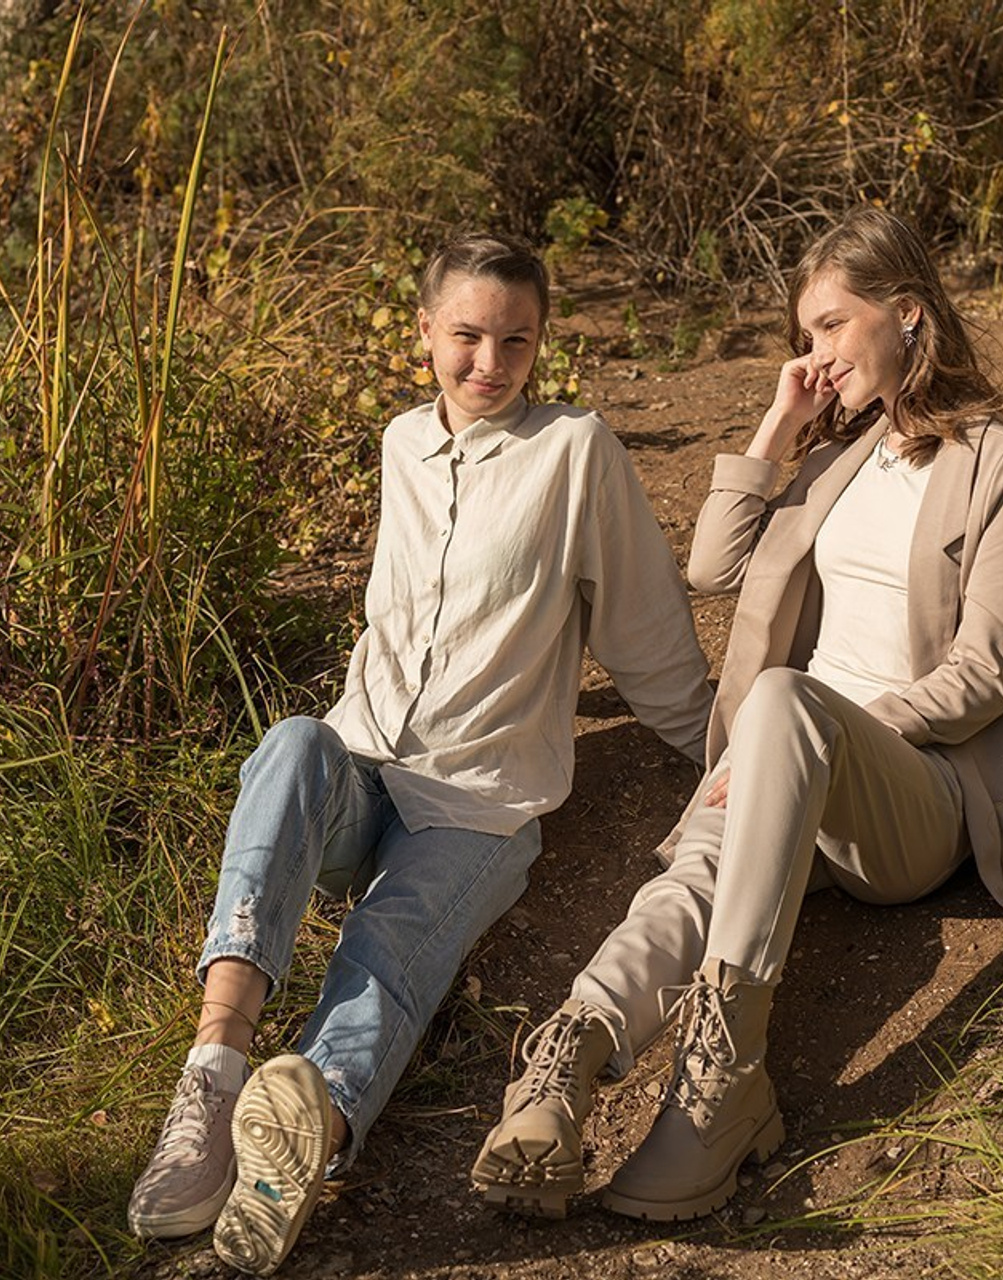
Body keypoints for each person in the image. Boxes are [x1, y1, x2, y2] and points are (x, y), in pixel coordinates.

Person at [471, 206, 1003, 1222]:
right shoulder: (838, 461)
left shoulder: (1000, 464)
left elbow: (990, 666)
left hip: (919, 789)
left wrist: (801, 730)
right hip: (795, 751)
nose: (813, 352)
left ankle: (720, 1083)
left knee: (778, 704)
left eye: (828, 327)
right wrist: (778, 427)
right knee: (695, 875)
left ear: (904, 315)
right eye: (803, 334)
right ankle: (566, 1058)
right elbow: (713, 564)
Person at [126, 232, 713, 1273]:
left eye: (516, 341)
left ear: (541, 344)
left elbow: (640, 621)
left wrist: (710, 741)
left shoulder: (573, 452)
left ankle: (305, 1139)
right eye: (467, 337)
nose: (490, 362)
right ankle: (213, 1071)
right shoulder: (402, 442)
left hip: (480, 800)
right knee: (293, 742)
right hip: (363, 764)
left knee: (389, 948)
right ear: (424, 334)